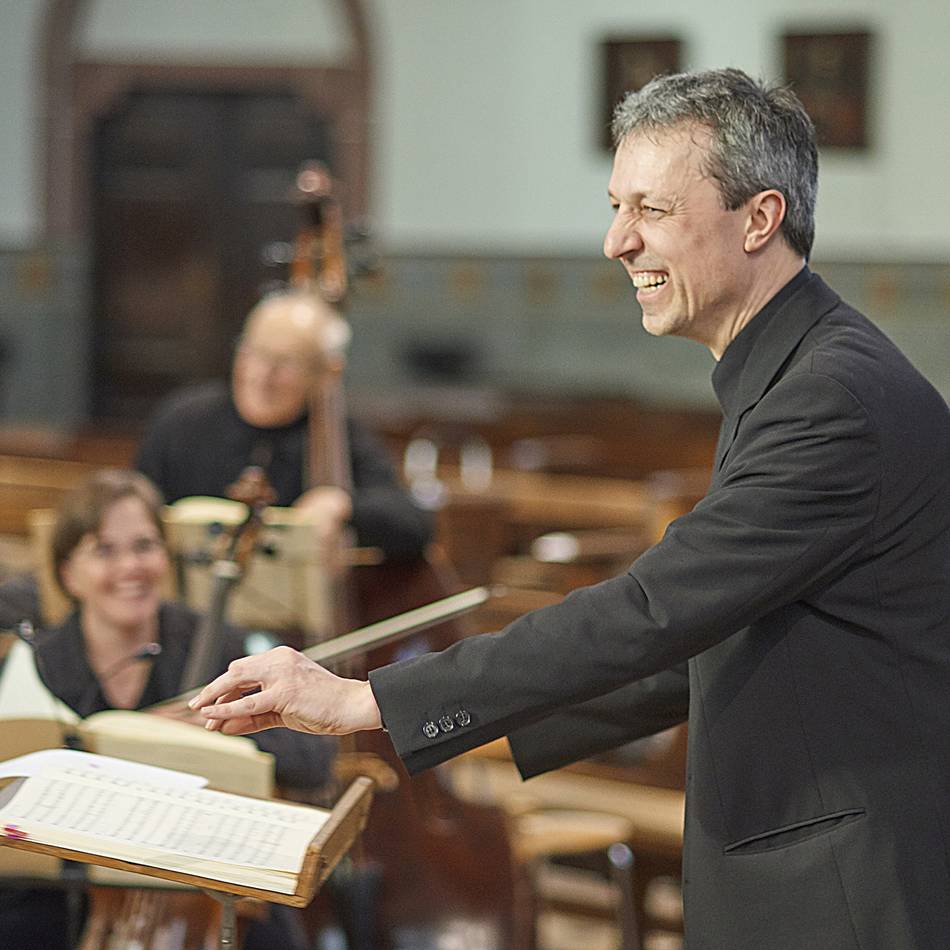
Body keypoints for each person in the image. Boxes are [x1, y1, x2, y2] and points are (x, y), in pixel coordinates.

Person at [188, 68, 950, 949]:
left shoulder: (832, 400)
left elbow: (654, 612)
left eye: (652, 211)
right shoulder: (800, 371)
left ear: (759, 219)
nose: (616, 242)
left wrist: (371, 704)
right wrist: (475, 729)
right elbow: (716, 639)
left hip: (843, 892)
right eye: (616, 206)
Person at [0, 469, 333, 950]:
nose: (130, 566)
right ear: (69, 574)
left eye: (144, 546)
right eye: (104, 550)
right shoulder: (41, 660)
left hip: (203, 879)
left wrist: (230, 731)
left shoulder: (222, 644)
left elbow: (313, 760)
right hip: (72, 886)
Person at [135, 287, 433, 560]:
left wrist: (344, 505)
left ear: (325, 375)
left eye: (284, 364)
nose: (262, 375)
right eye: (254, 353)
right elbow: (136, 508)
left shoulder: (339, 436)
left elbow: (413, 524)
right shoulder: (184, 421)